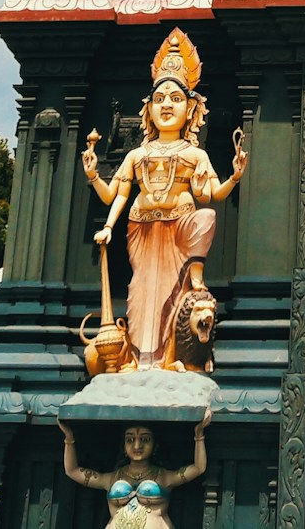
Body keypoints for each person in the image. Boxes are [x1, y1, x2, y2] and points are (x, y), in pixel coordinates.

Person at [84, 31, 248, 370]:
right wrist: (95, 182)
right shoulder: (137, 154)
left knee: (199, 235)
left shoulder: (195, 154)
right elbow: (117, 196)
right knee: (142, 293)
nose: (167, 105)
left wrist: (233, 176)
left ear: (191, 109)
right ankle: (144, 359)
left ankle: (177, 345)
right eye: (160, 99)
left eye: (175, 98)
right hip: (142, 228)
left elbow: (209, 196)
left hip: (180, 229)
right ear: (149, 109)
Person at [59, 414, 210, 528]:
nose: (137, 446)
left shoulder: (164, 476)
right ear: (124, 446)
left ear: (155, 445)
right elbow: (72, 471)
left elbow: (199, 467)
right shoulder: (111, 479)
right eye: (130, 440)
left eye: (145, 439)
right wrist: (69, 438)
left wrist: (199, 435)